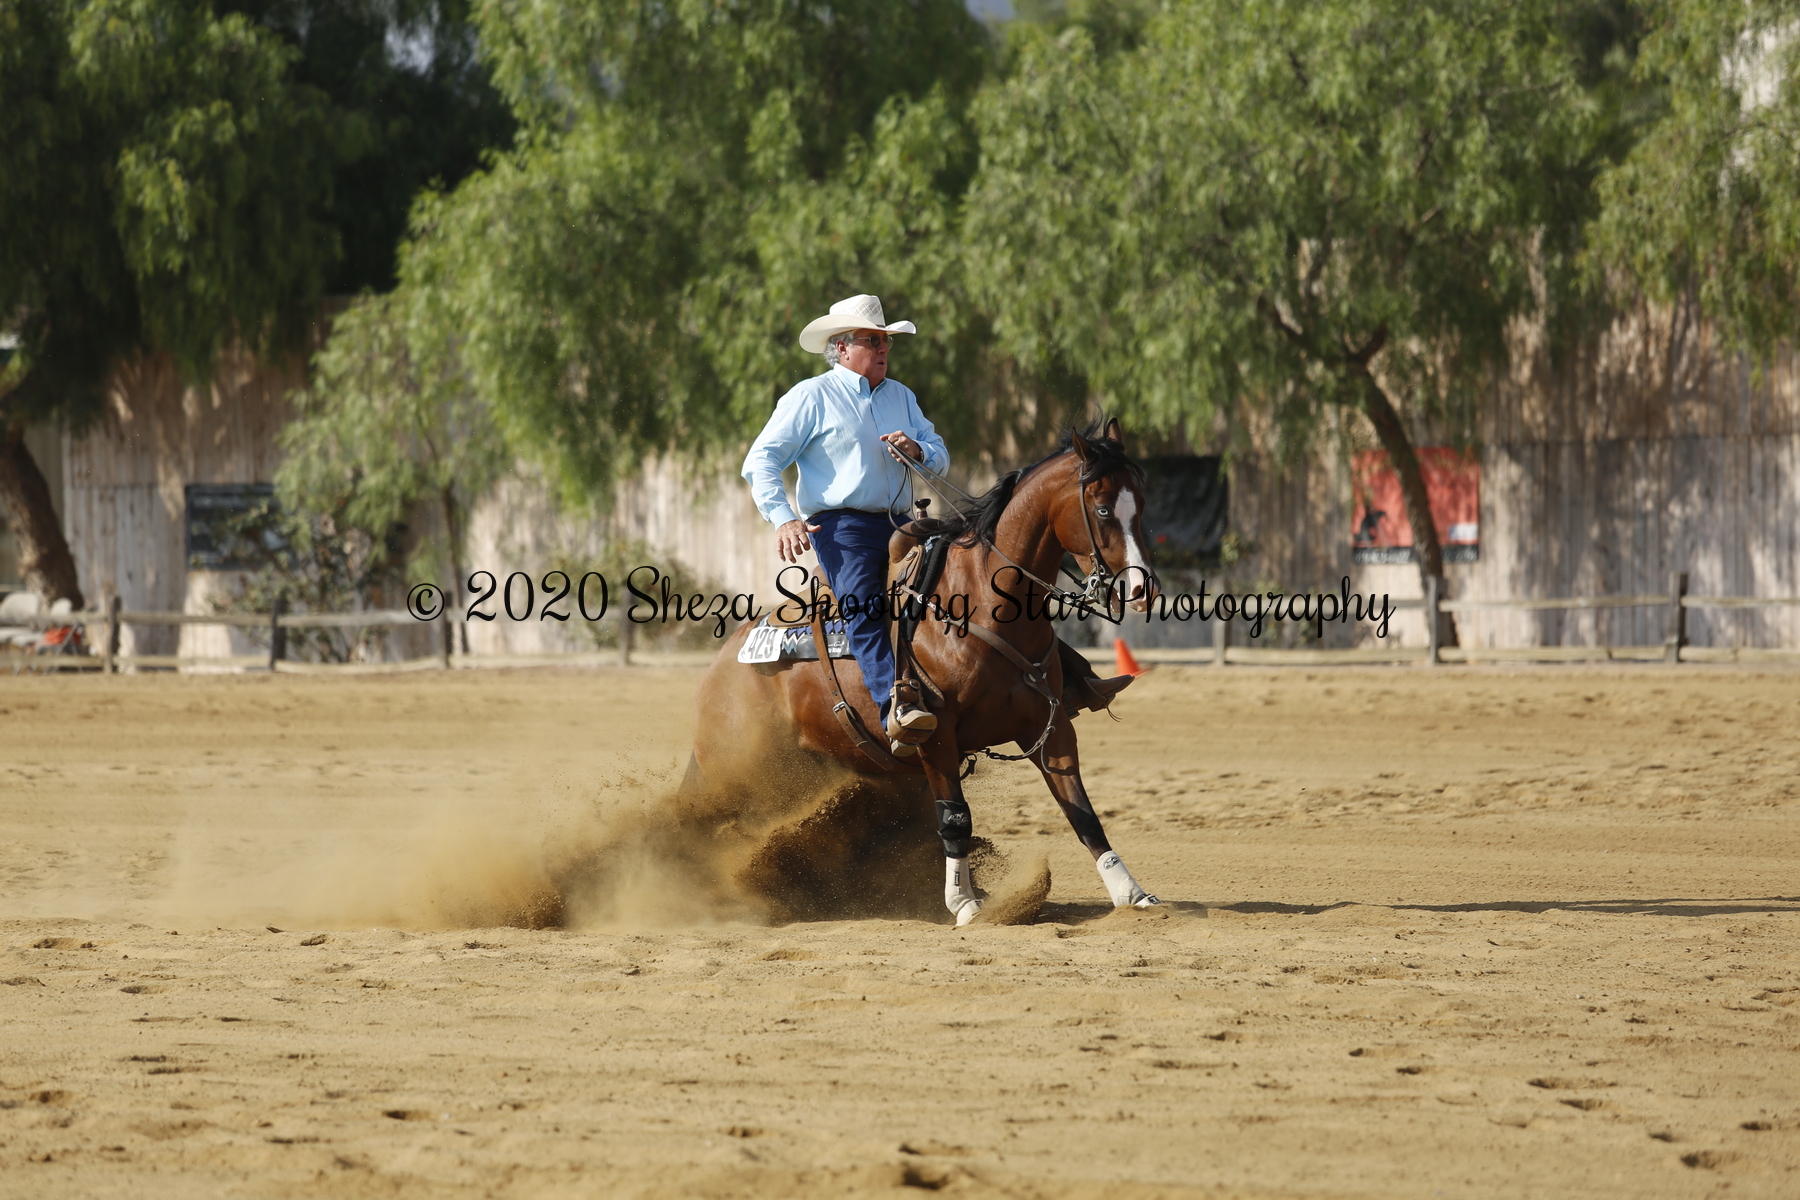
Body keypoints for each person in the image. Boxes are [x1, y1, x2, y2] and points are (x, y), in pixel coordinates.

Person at [741, 294, 946, 755]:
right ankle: (894, 708)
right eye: (873, 341)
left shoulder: (902, 396)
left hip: (903, 522)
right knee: (863, 605)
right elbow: (761, 460)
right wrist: (783, 518)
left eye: (886, 342)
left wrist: (919, 450)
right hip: (841, 528)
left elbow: (940, 453)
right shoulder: (811, 396)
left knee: (969, 579)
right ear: (842, 347)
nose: (883, 349)